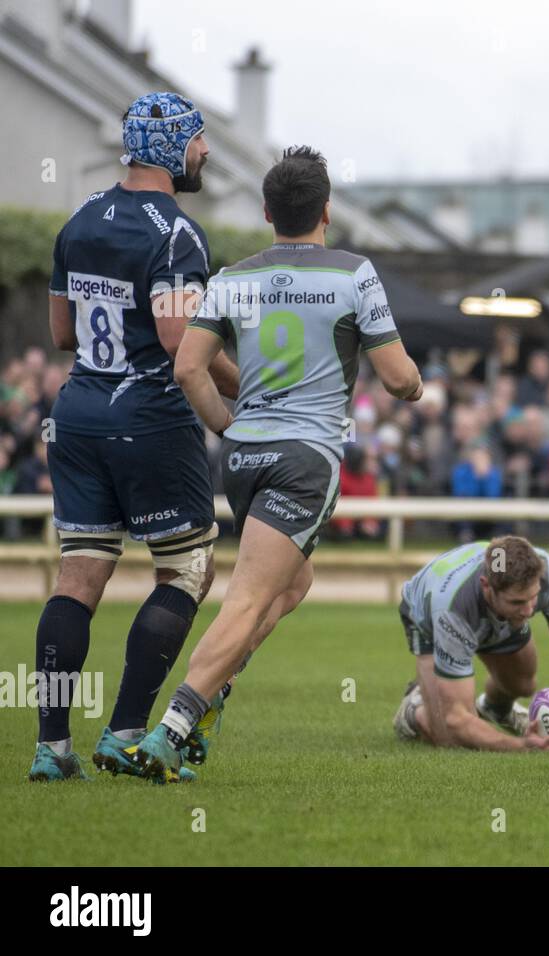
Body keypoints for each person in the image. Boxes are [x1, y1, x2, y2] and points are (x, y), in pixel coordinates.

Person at [129, 146, 425, 780]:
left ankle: (210, 699)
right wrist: (414, 386)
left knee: (293, 584)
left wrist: (226, 426)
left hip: (242, 457)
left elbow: (189, 366)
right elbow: (398, 378)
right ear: (327, 210)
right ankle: (172, 729)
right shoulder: (353, 273)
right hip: (304, 459)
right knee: (250, 596)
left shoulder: (232, 277)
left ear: (266, 211)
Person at [29, 92, 241, 784]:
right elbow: (184, 348)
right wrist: (247, 393)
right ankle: (124, 731)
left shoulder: (82, 217)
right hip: (148, 416)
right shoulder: (175, 233)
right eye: (199, 140)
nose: (205, 152)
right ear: (173, 149)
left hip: (80, 412)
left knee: (79, 574)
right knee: (184, 568)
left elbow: (62, 335)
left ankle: (52, 748)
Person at [392, 536, 549, 752]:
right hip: (428, 618)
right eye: (517, 602)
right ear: (486, 586)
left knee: (523, 685)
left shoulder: (548, 572)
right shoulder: (453, 611)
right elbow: (457, 719)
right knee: (449, 738)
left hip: (496, 614)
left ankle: (494, 708)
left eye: (532, 598)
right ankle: (412, 710)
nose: (528, 610)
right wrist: (521, 746)